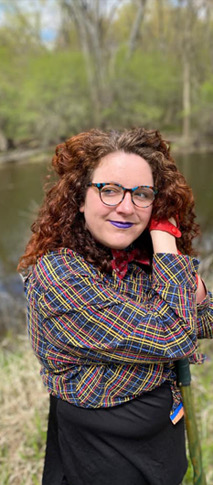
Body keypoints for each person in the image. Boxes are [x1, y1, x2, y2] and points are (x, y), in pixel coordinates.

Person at [18, 128, 213, 485]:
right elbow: (173, 334)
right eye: (109, 190)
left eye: (142, 194)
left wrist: (175, 274)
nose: (126, 207)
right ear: (80, 198)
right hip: (101, 462)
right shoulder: (59, 276)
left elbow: (206, 320)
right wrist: (169, 250)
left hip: (161, 453)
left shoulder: (135, 261)